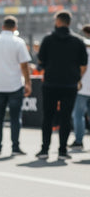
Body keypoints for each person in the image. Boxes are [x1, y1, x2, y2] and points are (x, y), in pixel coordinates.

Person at [36, 11, 88, 160]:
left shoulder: (47, 40)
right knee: (66, 118)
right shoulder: (78, 41)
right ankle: (63, 151)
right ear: (69, 23)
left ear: (57, 22)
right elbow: (83, 65)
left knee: (48, 117)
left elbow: (41, 62)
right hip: (70, 85)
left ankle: (45, 149)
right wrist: (78, 79)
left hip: (51, 84)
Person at [0, 15, 32, 156]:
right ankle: (15, 147)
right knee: (15, 118)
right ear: (15, 27)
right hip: (15, 85)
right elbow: (24, 65)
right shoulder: (18, 42)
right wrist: (28, 82)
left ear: (2, 26)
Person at [70, 24, 90, 149]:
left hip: (82, 87)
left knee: (78, 115)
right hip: (84, 86)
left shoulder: (82, 51)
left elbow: (80, 68)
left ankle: (78, 141)